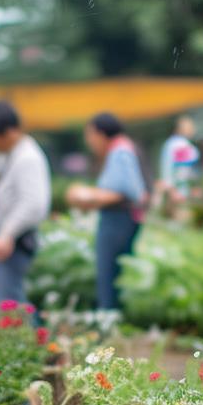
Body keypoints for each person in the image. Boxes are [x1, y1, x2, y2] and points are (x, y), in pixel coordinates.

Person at [66, 113, 147, 312]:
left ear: (101, 134)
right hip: (123, 218)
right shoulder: (123, 149)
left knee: (109, 272)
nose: (89, 141)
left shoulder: (120, 152)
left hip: (118, 219)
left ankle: (109, 318)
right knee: (116, 271)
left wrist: (86, 196)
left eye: (90, 135)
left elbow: (125, 192)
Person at [0, 100, 51, 306]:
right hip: (7, 241)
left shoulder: (27, 158)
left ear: (9, 132)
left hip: (16, 241)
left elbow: (34, 204)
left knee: (9, 303)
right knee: (2, 297)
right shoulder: (9, 154)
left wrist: (7, 233)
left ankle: (32, 337)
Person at [156, 115, 200, 207]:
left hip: (172, 190)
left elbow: (166, 169)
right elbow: (184, 171)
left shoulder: (170, 143)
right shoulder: (183, 146)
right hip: (181, 191)